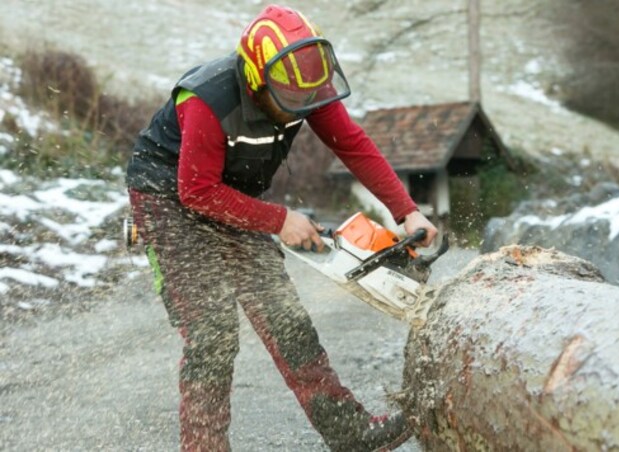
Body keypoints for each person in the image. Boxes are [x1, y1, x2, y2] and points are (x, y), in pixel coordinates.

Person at [125, 4, 438, 451]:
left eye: (306, 101)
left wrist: (406, 210)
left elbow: (352, 143)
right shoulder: (207, 100)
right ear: (256, 80)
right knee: (213, 332)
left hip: (231, 194)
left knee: (285, 319)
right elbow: (196, 191)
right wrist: (279, 220)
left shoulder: (301, 85)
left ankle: (351, 435)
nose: (299, 111)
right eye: (288, 102)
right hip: (169, 196)